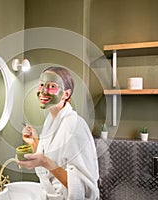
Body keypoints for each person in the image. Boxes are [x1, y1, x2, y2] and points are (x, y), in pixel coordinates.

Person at [17, 66, 100, 200]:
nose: (43, 91)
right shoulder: (51, 119)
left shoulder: (74, 126)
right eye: (41, 85)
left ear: (66, 94)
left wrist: (44, 162)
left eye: (51, 86)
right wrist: (35, 142)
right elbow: (51, 158)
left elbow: (82, 189)